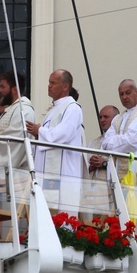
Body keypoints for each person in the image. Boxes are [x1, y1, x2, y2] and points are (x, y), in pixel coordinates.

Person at [26, 69, 84, 214]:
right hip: (46, 172)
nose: (49, 86)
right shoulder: (53, 110)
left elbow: (64, 134)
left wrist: (39, 131)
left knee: (63, 216)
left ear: (65, 86)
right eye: (49, 82)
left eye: (53, 83)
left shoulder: (72, 108)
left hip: (64, 172)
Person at [0, 71, 36, 183]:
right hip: (8, 178)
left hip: (17, 178)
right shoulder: (12, 109)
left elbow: (14, 142)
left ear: (14, 89)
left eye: (3, 87)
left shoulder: (24, 110)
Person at [101, 79, 137, 186]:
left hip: (136, 173)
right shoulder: (118, 117)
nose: (124, 97)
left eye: (128, 93)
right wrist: (121, 140)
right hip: (116, 174)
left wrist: (115, 141)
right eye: (121, 94)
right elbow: (105, 143)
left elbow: (130, 143)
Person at [87, 105, 119, 181]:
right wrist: (91, 166)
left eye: (106, 117)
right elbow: (83, 169)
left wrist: (104, 164)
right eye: (100, 117)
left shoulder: (121, 141)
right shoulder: (93, 143)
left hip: (112, 189)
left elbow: (123, 168)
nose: (102, 120)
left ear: (116, 119)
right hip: (91, 188)